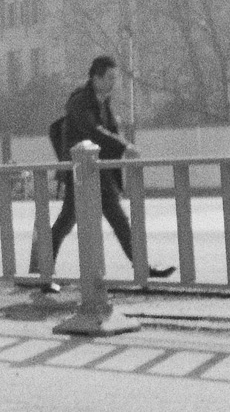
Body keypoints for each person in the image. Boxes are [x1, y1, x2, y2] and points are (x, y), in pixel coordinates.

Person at [41, 54, 173, 280]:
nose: (114, 82)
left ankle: (143, 267)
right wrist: (124, 145)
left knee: (118, 220)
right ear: (96, 77)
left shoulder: (104, 102)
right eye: (110, 77)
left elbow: (109, 131)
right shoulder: (80, 102)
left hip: (100, 172)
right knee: (67, 221)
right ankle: (44, 271)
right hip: (81, 173)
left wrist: (120, 145)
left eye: (115, 77)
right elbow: (94, 132)